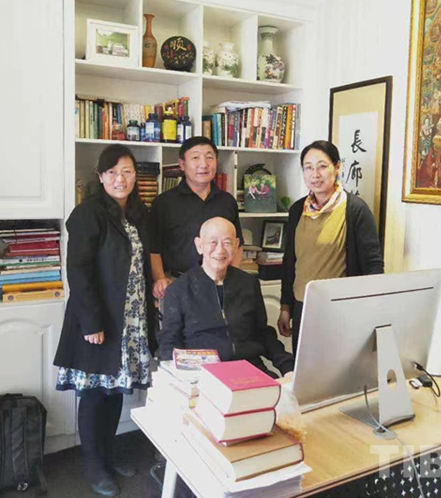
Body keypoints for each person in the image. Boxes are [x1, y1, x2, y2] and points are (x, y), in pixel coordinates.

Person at [54, 145, 157, 497]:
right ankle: (92, 465)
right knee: (94, 394)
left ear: (135, 176)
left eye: (127, 171)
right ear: (100, 177)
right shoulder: (88, 213)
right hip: (98, 319)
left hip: (130, 319)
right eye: (112, 172)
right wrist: (91, 323)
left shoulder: (139, 214)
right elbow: (79, 271)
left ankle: (107, 456)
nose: (120, 179)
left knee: (114, 393)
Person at [277, 140, 384, 355]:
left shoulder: (355, 210)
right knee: (304, 369)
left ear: (337, 167)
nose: (315, 174)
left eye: (322, 166)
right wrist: (285, 307)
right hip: (302, 307)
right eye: (308, 167)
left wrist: (372, 313)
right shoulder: (297, 210)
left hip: (339, 311)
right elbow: (291, 262)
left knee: (338, 368)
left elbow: (373, 266)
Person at [158, 217, 293, 377]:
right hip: (204, 375)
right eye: (213, 242)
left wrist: (288, 367)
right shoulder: (179, 290)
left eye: (227, 243)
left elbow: (263, 333)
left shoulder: (248, 284)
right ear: (199, 245)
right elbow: (169, 344)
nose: (220, 250)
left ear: (236, 246)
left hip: (249, 368)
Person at [149, 136, 243, 299]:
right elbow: (153, 249)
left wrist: (231, 279)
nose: (203, 164)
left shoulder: (227, 201)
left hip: (220, 283)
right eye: (195, 158)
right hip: (177, 283)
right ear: (182, 164)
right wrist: (160, 279)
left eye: (209, 157)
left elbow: (238, 244)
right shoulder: (164, 203)